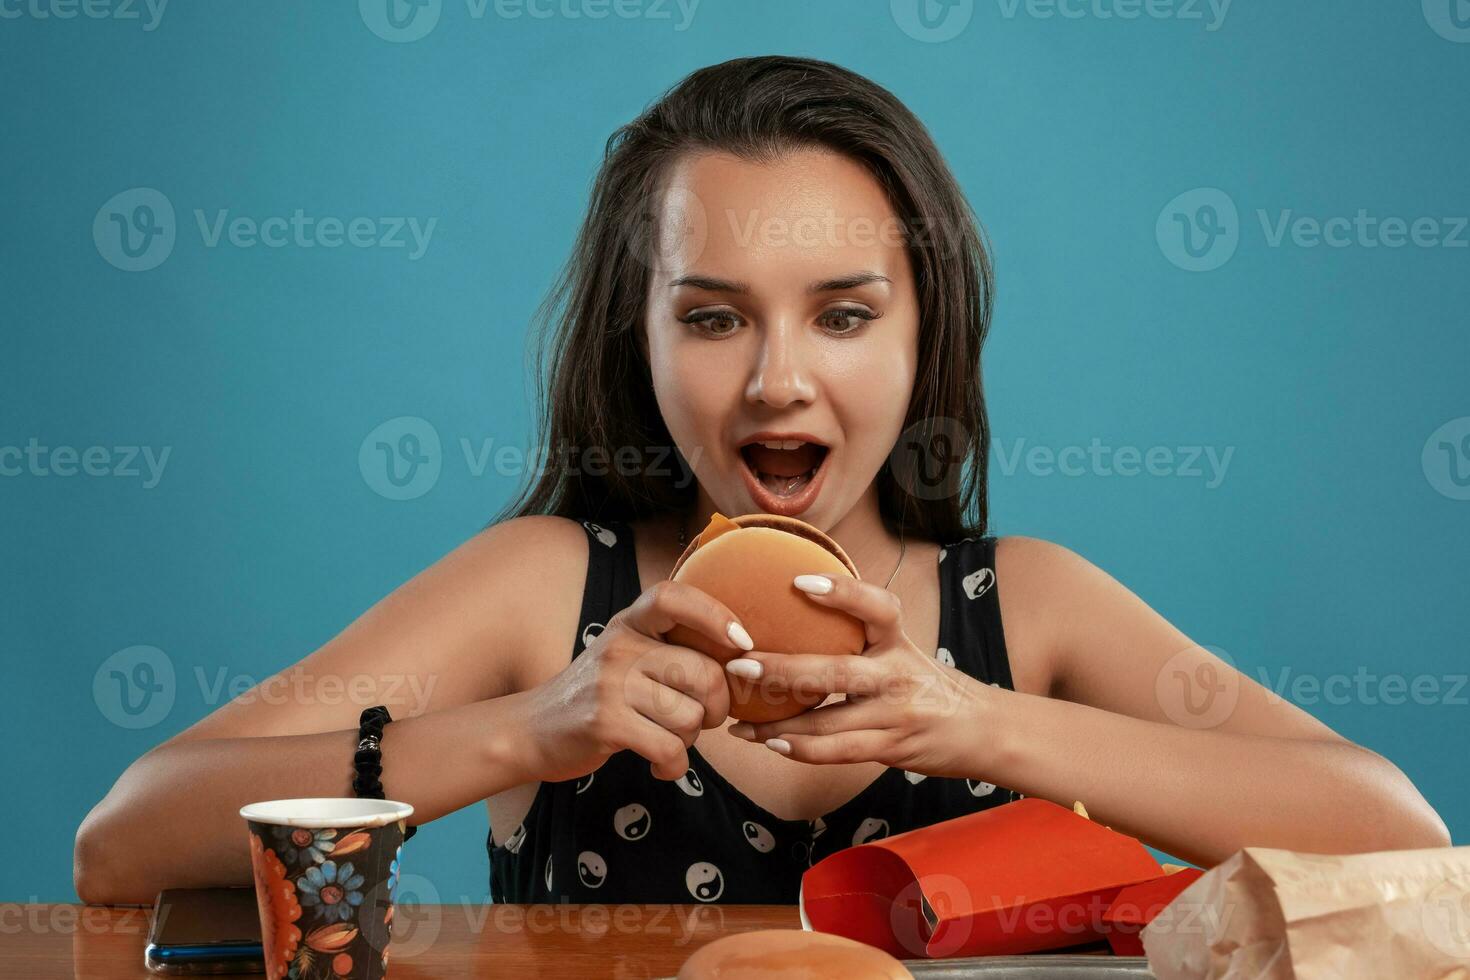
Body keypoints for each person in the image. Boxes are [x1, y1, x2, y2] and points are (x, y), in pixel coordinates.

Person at [74, 56, 1449, 907]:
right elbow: (124, 844)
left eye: (843, 316)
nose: (776, 381)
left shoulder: (1026, 610)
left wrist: (976, 723)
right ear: (645, 334)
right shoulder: (553, 588)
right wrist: (531, 729)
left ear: (927, 337)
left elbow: (1401, 842)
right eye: (714, 316)